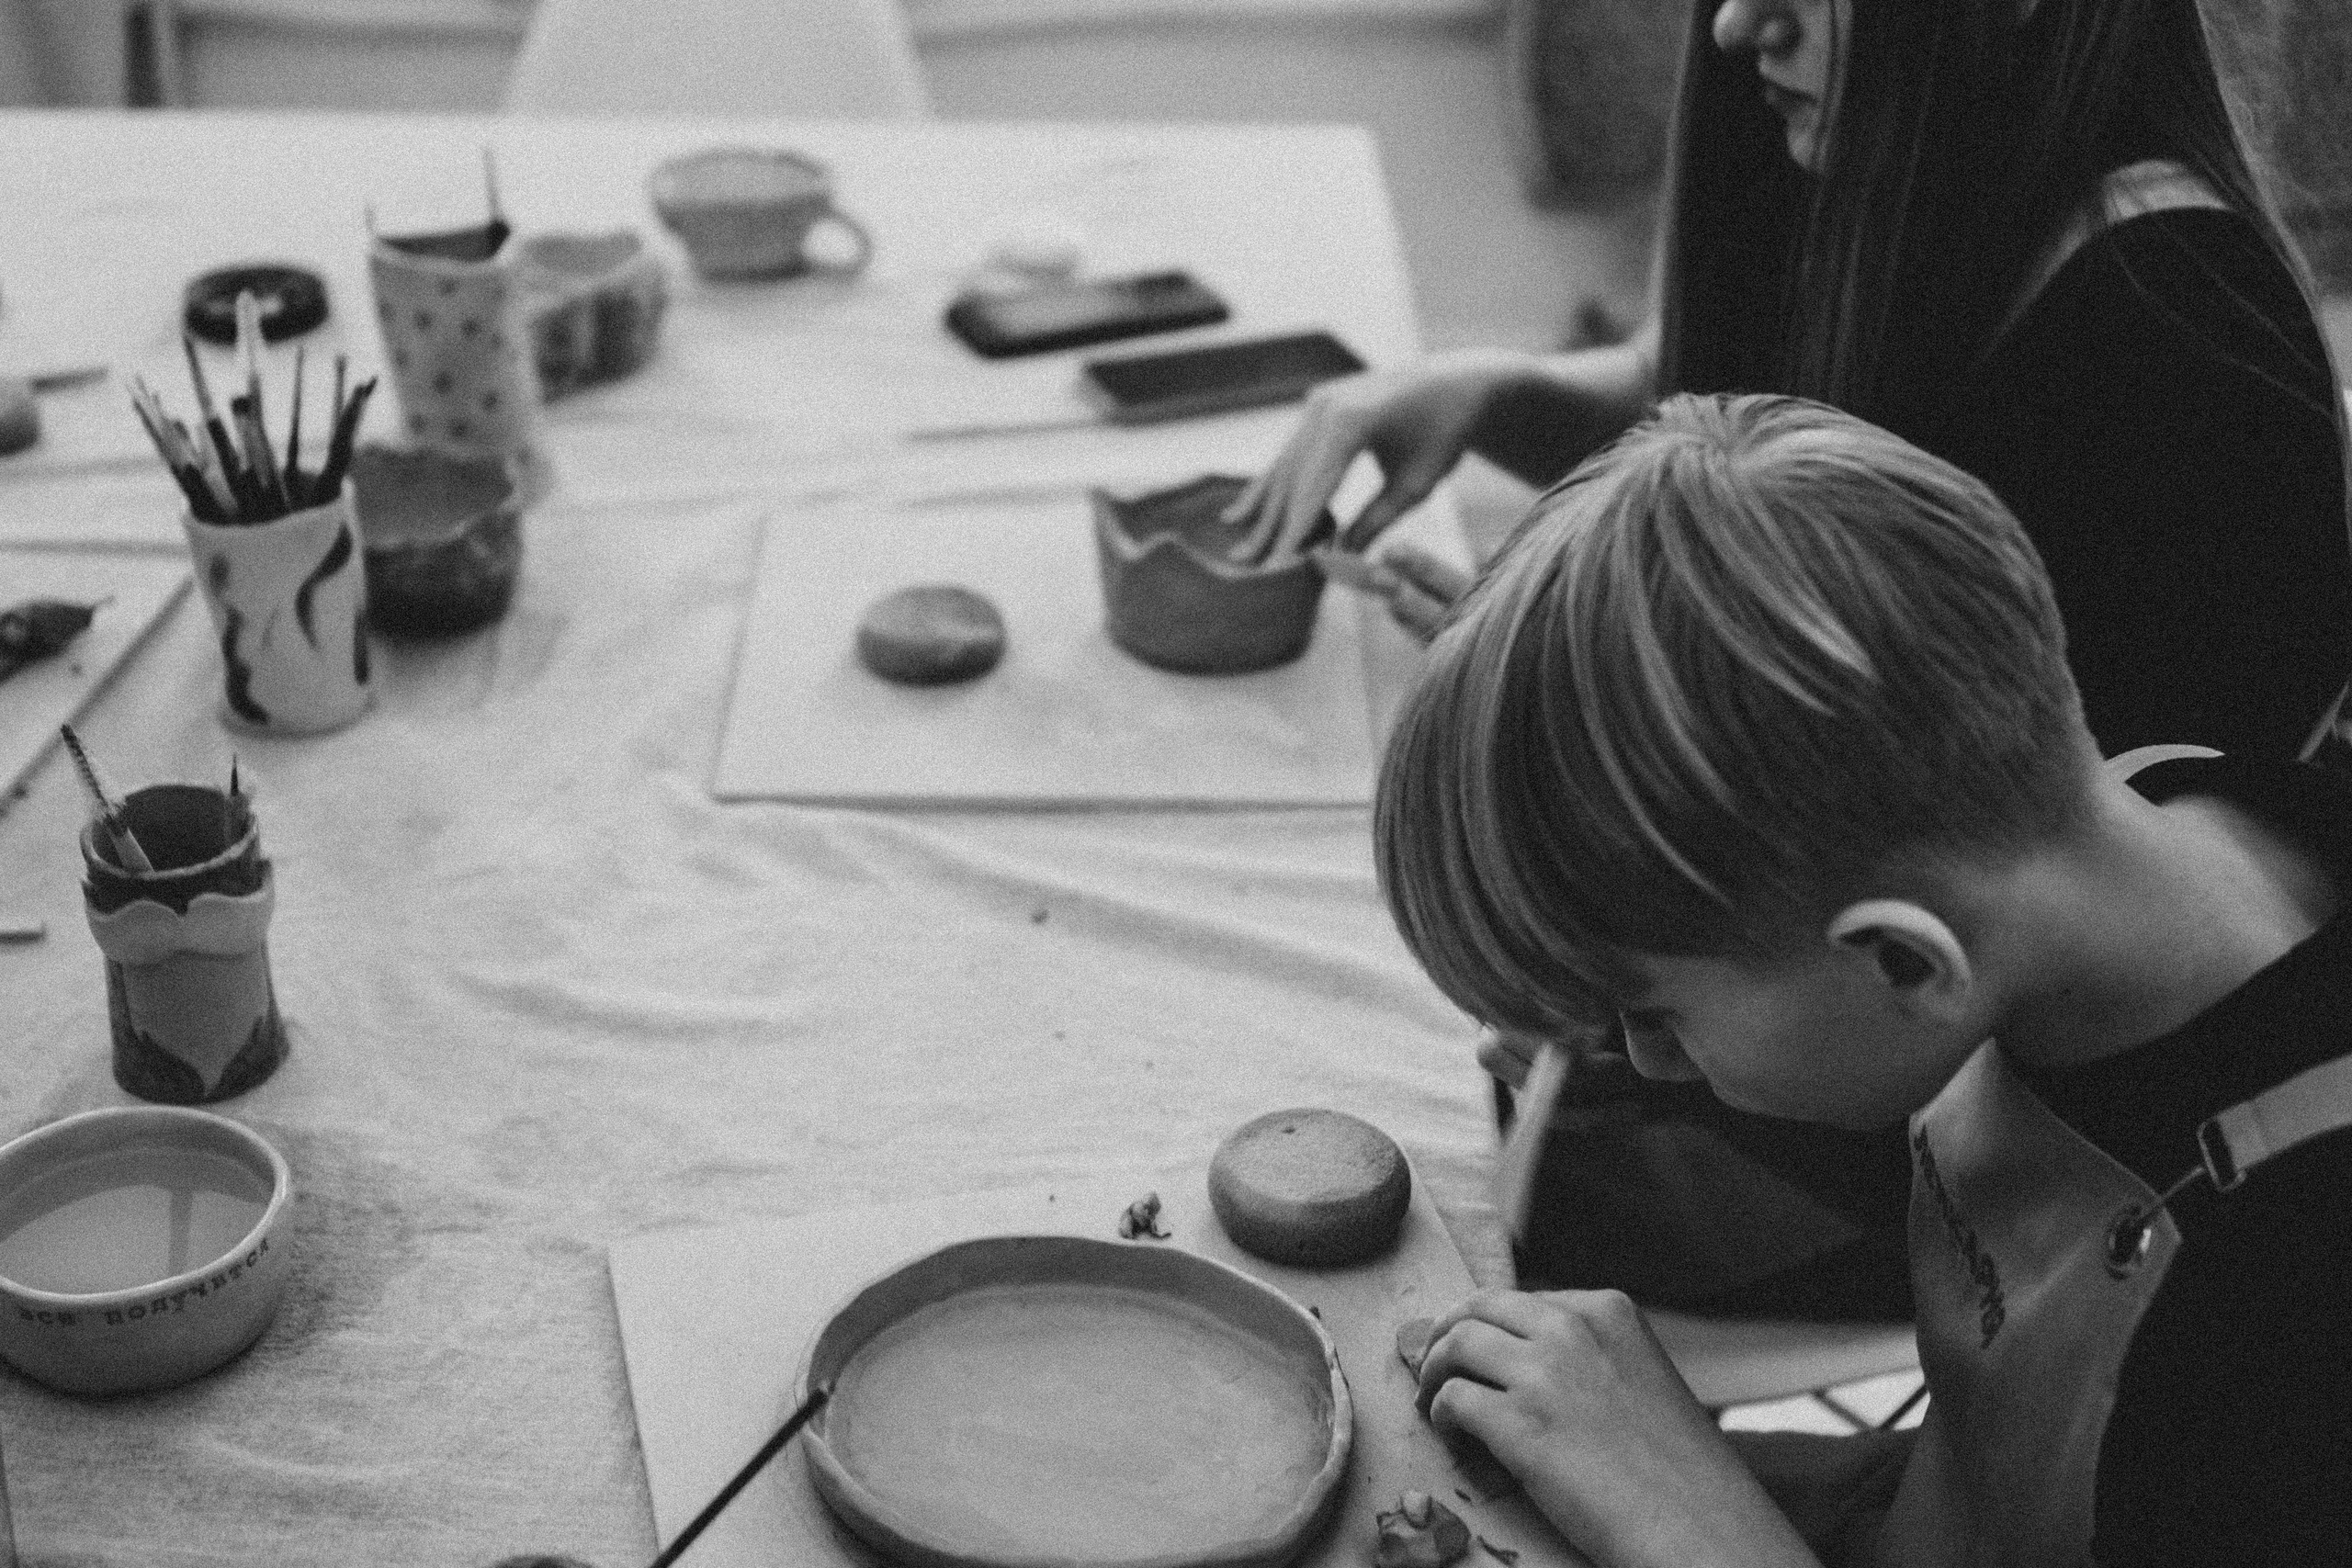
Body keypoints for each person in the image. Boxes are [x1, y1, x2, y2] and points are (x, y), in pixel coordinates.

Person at [1244, 0, 2352, 1318]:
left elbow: (1995, 929)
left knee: (1431, 1156)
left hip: (1976, 1122)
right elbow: (1716, 382)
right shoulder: (1866, 149)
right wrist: (1495, 393)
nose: (1730, 27)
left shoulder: (2169, 345)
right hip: (1873, 1018)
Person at [1375, 391, 2352, 1566]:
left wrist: (1708, 1526)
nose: (1637, 1060)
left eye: (1655, 1014)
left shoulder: (2291, 1319)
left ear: (1902, 958)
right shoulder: (2111, 827)